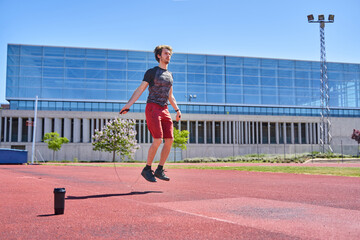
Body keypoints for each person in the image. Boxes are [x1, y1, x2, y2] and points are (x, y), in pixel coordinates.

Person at [120, 45, 181, 182]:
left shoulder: (170, 75)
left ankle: (159, 170)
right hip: (153, 107)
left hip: (165, 109)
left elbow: (170, 96)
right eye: (166, 53)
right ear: (159, 56)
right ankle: (147, 169)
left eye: (170, 54)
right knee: (158, 139)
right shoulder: (152, 72)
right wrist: (128, 105)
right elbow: (140, 89)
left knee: (170, 140)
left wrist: (177, 110)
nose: (168, 56)